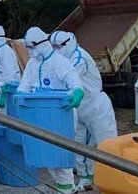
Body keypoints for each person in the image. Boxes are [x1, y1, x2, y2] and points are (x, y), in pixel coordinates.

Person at [17, 27, 84, 194]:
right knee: (46, 155)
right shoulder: (33, 63)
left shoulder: (59, 62)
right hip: (39, 114)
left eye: (31, 47)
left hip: (61, 114)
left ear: (42, 44)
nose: (29, 51)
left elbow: (74, 82)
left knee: (61, 155)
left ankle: (67, 189)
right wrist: (18, 96)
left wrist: (77, 93)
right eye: (27, 47)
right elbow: (25, 84)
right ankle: (66, 188)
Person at [50, 30, 117, 192]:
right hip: (78, 107)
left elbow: (66, 79)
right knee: (81, 144)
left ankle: (114, 180)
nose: (55, 49)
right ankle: (86, 178)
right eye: (53, 46)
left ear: (68, 42)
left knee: (107, 145)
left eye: (58, 46)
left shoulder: (79, 57)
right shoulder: (62, 58)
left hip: (96, 106)